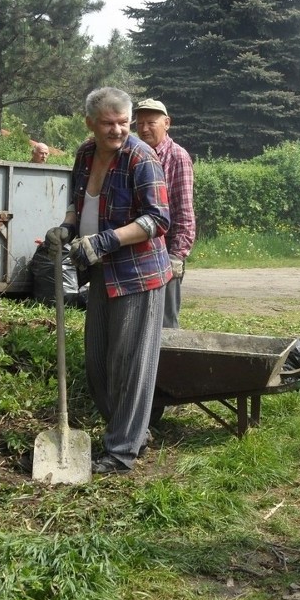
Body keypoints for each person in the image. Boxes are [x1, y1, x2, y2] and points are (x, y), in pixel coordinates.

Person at [43, 87, 171, 475]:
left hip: (138, 274)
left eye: (123, 123)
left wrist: (106, 240)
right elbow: (77, 201)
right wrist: (65, 228)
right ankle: (131, 433)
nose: (117, 130)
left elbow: (158, 219)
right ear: (90, 123)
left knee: (129, 363)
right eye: (107, 123)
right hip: (99, 271)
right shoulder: (84, 155)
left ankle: (121, 452)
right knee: (98, 363)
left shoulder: (141, 159)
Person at [135, 98, 195, 328]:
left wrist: (177, 255)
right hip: (138, 249)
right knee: (141, 321)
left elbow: (185, 211)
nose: (144, 128)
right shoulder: (135, 154)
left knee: (166, 323)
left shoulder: (177, 157)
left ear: (167, 123)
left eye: (151, 122)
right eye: (140, 123)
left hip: (165, 252)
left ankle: (169, 363)